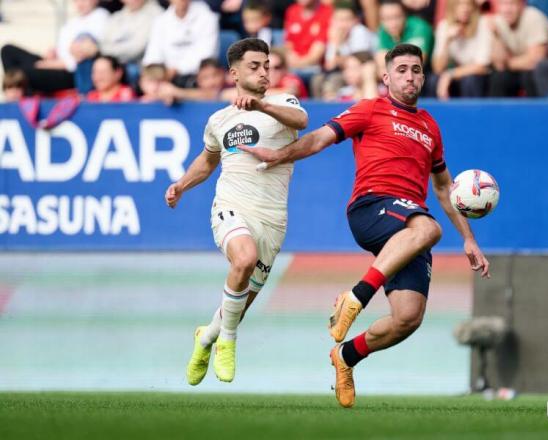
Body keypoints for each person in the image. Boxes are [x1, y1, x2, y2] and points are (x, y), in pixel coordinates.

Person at [239, 43, 490, 408]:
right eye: (402, 69)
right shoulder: (370, 109)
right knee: (430, 230)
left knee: (407, 319)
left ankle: (346, 356)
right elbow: (319, 138)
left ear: (423, 77)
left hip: (407, 226)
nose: (410, 76)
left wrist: (469, 239)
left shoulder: (430, 127)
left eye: (416, 70)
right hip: (371, 206)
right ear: (387, 77)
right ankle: (355, 298)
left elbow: (442, 187)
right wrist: (279, 155)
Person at [164, 38, 308, 385]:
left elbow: (301, 119)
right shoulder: (219, 119)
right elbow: (208, 160)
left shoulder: (282, 102)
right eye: (254, 66)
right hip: (231, 206)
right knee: (242, 260)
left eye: (267, 66)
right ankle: (227, 341)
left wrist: (262, 106)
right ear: (234, 73)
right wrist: (182, 184)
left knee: (239, 304)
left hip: (272, 218)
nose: (263, 72)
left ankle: (206, 336)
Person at [489, 0, 548, 97]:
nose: (507, 10)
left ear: (522, 6)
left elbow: (536, 60)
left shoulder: (532, 17)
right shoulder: (497, 22)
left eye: (512, 4)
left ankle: (543, 110)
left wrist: (507, 64)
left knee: (531, 75)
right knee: (499, 77)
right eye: (503, 4)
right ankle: (501, 111)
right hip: (531, 69)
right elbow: (499, 65)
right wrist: (495, 36)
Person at [142, 0, 219, 88]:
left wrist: (176, 70)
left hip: (195, 77)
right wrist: (157, 74)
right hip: (164, 77)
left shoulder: (208, 17)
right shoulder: (160, 21)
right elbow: (152, 55)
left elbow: (207, 55)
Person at [431, 0, 493, 98]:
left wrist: (450, 75)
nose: (465, 9)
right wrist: (447, 42)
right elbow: (438, 68)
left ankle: (472, 112)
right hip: (457, 75)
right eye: (459, 4)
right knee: (433, 80)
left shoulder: (483, 23)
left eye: (468, 4)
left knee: (470, 80)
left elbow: (482, 66)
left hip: (478, 75)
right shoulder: (444, 26)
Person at [375, 0, 434, 76]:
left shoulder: (419, 27)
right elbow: (381, 62)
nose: (393, 23)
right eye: (387, 18)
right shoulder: (383, 30)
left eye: (396, 17)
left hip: (425, 74)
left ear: (405, 15)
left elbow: (417, 61)